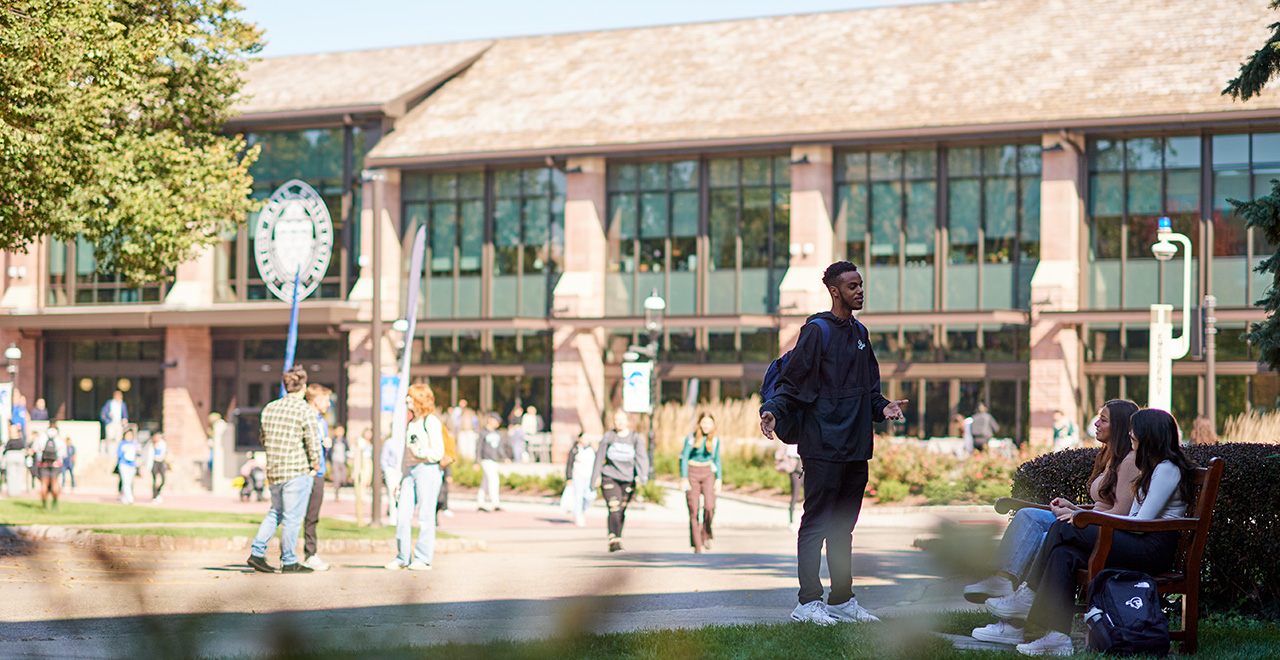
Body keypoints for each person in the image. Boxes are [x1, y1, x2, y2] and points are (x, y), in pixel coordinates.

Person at [759, 260, 907, 625]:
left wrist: (884, 405)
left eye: (861, 285)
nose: (859, 290)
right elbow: (793, 382)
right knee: (816, 525)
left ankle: (842, 600)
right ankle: (808, 602)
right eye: (852, 286)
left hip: (856, 447)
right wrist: (773, 410)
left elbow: (868, 392)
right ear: (834, 290)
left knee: (843, 528)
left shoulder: (861, 334)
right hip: (822, 445)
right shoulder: (817, 331)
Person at [991, 408, 1196, 656]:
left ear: (1149, 434)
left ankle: (1029, 595)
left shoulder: (1166, 468)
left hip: (1151, 549)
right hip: (1140, 541)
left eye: (1135, 430)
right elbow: (1135, 520)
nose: (1130, 434)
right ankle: (1056, 637)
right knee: (1064, 553)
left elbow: (1142, 522)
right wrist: (1081, 514)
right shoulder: (1154, 467)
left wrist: (1082, 518)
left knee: (1063, 528)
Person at [965, 399, 1141, 646]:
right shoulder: (1110, 456)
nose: (1096, 423)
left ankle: (1012, 624)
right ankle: (1003, 582)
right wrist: (1074, 508)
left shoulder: (1131, 461)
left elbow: (1121, 514)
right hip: (1090, 523)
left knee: (1045, 538)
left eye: (1104, 419)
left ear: (1120, 426)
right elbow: (1105, 505)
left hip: (1102, 533)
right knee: (1028, 516)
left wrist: (1079, 517)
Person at [247, 365, 322, 574]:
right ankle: (289, 560)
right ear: (303, 386)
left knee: (275, 512)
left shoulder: (270, 408)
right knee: (292, 517)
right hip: (296, 469)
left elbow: (263, 437)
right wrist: (315, 462)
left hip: (275, 469)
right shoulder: (305, 409)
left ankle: (257, 552)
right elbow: (312, 441)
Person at [386, 384, 446, 571]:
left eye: (411, 397)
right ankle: (402, 557)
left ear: (420, 399)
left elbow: (438, 452)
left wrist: (421, 452)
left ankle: (423, 558)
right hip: (409, 471)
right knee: (402, 515)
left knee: (425, 515)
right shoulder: (412, 423)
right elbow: (407, 452)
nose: (407, 400)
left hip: (427, 469)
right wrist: (401, 476)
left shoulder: (431, 421)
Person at [591, 409, 650, 553]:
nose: (619, 423)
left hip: (628, 478)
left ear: (628, 421)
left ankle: (618, 536)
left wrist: (643, 476)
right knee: (614, 507)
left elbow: (642, 458)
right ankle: (613, 539)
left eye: (622, 420)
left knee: (621, 510)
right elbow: (599, 457)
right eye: (617, 420)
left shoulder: (635, 438)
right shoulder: (609, 436)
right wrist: (595, 477)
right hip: (609, 476)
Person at [300, 384, 333, 571]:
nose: (328, 404)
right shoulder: (305, 417)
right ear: (315, 400)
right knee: (292, 516)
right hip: (304, 472)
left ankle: (310, 554)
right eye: (326, 400)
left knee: (312, 516)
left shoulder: (323, 421)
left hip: (318, 473)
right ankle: (286, 555)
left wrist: (326, 445)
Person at [680, 412, 722, 553]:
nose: (706, 426)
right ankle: (697, 545)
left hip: (708, 473)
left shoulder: (715, 440)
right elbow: (684, 457)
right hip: (692, 472)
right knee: (694, 509)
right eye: (704, 423)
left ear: (713, 425)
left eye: (709, 423)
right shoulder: (691, 438)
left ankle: (706, 534)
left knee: (710, 506)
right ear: (699, 424)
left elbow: (717, 459)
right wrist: (684, 478)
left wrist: (719, 479)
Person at [562, 433, 597, 527]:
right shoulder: (575, 450)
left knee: (590, 496)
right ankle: (578, 516)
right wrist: (569, 477)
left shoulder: (592, 449)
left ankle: (582, 510)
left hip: (589, 477)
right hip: (578, 476)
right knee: (578, 497)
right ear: (579, 439)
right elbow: (569, 464)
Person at [475, 413, 504, 512]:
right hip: (486, 459)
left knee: (485, 482)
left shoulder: (496, 433)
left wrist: (504, 457)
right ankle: (495, 503)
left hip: (494, 459)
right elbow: (479, 447)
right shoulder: (483, 432)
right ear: (490, 420)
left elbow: (499, 447)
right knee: (494, 479)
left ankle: (480, 503)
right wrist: (476, 461)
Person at [773, 441, 803, 530]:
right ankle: (791, 521)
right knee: (795, 495)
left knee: (808, 496)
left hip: (803, 465)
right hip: (794, 467)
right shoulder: (791, 437)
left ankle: (806, 521)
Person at [35, 425, 64, 509]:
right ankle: (54, 503)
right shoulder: (59, 439)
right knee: (55, 483)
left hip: (44, 464)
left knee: (44, 484)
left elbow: (36, 449)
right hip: (55, 464)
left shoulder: (42, 437)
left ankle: (44, 505)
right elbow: (63, 453)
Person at [99, 390, 128, 457]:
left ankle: (117, 452)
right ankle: (108, 451)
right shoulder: (110, 403)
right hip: (111, 422)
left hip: (119, 423)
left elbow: (124, 413)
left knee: (118, 438)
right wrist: (107, 418)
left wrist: (125, 419)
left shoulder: (122, 404)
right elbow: (103, 412)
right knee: (110, 437)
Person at [116, 427, 140, 504]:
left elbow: (139, 454)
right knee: (125, 481)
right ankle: (130, 498)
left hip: (132, 465)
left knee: (129, 481)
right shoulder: (122, 444)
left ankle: (124, 496)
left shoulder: (134, 444)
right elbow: (118, 454)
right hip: (124, 464)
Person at [3, 423, 26, 496]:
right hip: (19, 456)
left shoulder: (10, 441)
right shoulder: (20, 440)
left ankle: (12, 491)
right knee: (19, 475)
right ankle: (17, 491)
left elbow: (6, 449)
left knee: (11, 474)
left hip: (10, 456)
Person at [330, 424, 349, 501]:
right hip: (335, 461)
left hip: (343, 461)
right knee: (337, 477)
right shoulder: (333, 441)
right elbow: (329, 451)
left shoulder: (344, 441)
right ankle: (337, 494)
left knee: (343, 477)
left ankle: (340, 488)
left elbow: (347, 450)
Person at [149, 432, 169, 503]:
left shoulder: (163, 444)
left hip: (161, 462)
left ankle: (159, 492)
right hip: (154, 462)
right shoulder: (151, 445)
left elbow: (166, 453)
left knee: (162, 479)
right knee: (155, 480)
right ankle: (155, 495)